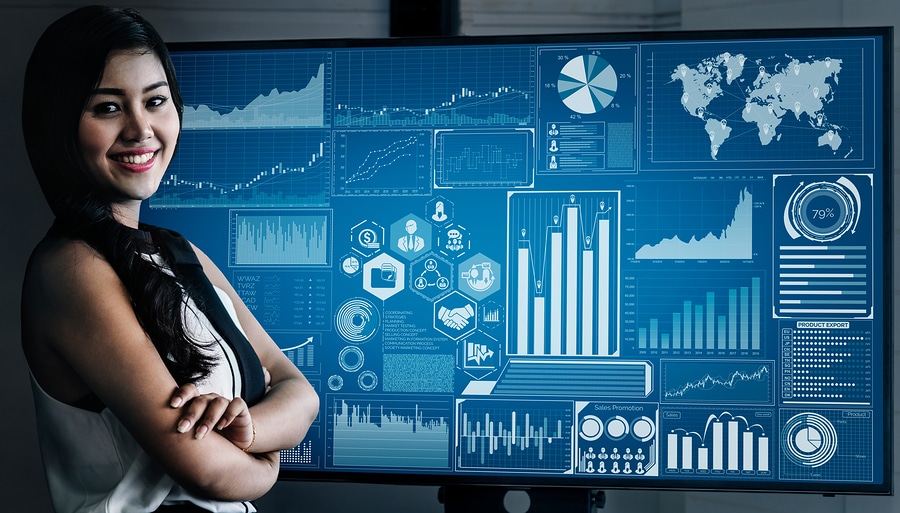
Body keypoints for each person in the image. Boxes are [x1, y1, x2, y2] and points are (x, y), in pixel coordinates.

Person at [20, 5, 319, 513]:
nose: (141, 130)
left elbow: (299, 391)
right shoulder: (71, 270)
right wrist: (268, 467)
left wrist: (246, 430)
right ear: (59, 123)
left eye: (156, 101)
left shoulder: (176, 251)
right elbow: (202, 469)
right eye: (108, 108)